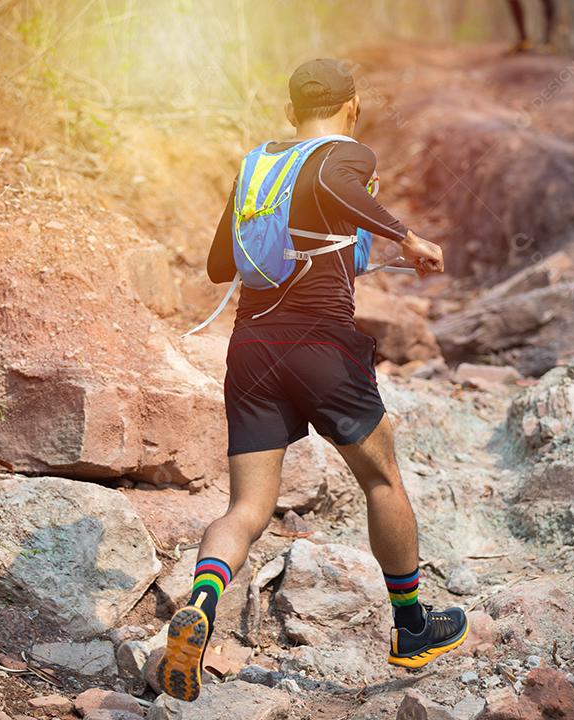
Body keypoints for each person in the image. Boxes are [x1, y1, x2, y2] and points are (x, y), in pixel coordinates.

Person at [156, 58, 467, 703]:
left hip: (251, 349)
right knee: (382, 477)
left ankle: (202, 603)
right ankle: (412, 629)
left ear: (290, 107)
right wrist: (405, 237)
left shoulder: (257, 166)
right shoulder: (344, 153)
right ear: (350, 105)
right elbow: (337, 181)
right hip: (321, 344)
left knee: (246, 509)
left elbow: (221, 265)